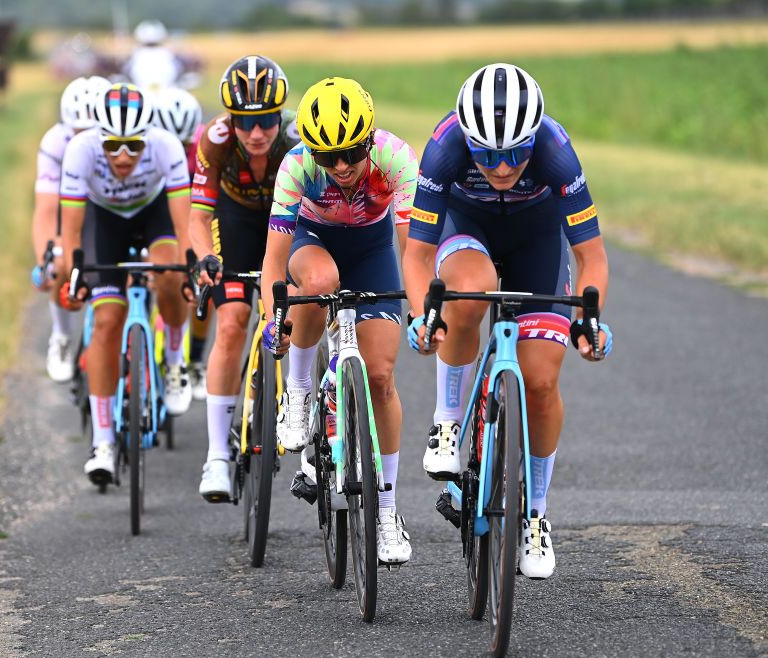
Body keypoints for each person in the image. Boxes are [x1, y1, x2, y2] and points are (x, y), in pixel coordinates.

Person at [403, 63, 613, 579]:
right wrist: (422, 316)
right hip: (466, 227)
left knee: (541, 381)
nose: (501, 167)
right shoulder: (445, 146)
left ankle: (536, 515)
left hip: (535, 240)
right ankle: (449, 423)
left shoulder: (556, 151)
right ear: (468, 140)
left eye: (514, 154)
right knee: (469, 293)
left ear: (533, 138)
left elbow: (592, 257)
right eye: (488, 155)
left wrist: (589, 320)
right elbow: (416, 255)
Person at [259, 77, 419, 565]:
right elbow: (273, 261)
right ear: (311, 151)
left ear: (370, 140)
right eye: (329, 157)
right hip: (313, 240)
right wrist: (272, 318)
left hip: (372, 249)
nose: (343, 167)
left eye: (352, 152)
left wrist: (420, 309)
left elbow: (414, 249)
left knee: (381, 377)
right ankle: (301, 392)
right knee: (320, 281)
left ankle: (387, 511)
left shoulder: (395, 159)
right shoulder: (295, 166)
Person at [59, 83, 193, 486]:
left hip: (153, 213)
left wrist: (189, 269)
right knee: (106, 322)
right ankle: (102, 442)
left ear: (147, 138)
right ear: (99, 137)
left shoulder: (166, 147)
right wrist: (74, 274)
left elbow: (184, 225)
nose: (122, 156)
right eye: (113, 145)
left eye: (133, 146)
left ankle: (173, 361)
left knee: (170, 273)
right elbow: (72, 230)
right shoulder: (80, 150)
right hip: (105, 221)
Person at [189, 55, 299, 504]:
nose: (256, 134)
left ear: (280, 116)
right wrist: (204, 259)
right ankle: (216, 455)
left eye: (266, 122)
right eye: (245, 123)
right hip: (234, 224)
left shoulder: (296, 140)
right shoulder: (214, 141)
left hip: (287, 224)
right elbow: (198, 217)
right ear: (230, 120)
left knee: (303, 314)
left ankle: (301, 412)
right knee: (232, 321)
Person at [32, 76, 109, 382]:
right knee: (63, 261)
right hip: (72, 209)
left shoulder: (121, 141)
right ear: (67, 128)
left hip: (110, 208)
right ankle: (62, 336)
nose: (85, 141)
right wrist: (46, 260)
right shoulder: (55, 143)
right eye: (79, 132)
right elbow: (47, 210)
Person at [151, 86, 210, 400]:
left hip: (199, 213)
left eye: (185, 143)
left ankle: (196, 359)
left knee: (206, 284)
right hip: (161, 213)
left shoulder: (203, 143)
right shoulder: (148, 144)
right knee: (159, 269)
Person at [126, 20, 178, 93]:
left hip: (140, 93)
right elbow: (177, 70)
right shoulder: (167, 53)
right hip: (167, 92)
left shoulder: (137, 53)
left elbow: (127, 71)